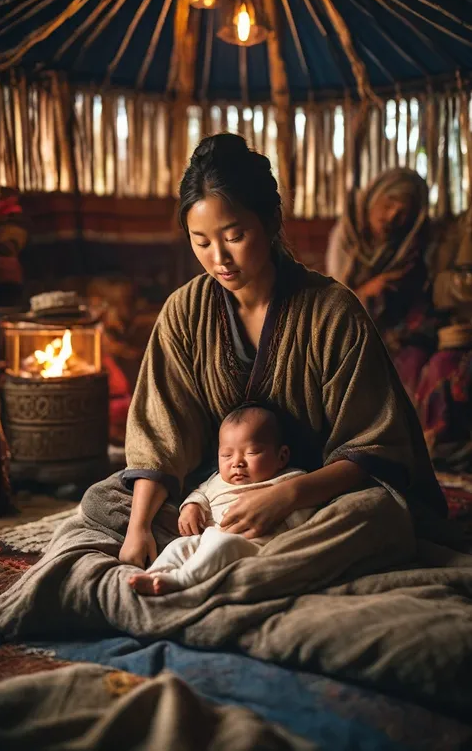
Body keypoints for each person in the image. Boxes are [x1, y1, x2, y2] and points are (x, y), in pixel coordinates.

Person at [113, 133, 446, 580]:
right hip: (219, 495)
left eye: (235, 236)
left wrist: (287, 497)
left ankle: (230, 571)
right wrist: (137, 530)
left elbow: (376, 445)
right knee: (108, 500)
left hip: (319, 496)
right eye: (201, 241)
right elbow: (160, 433)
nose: (219, 258)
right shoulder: (184, 311)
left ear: (271, 223)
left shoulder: (331, 310)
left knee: (378, 514)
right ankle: (258, 562)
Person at [129, 403, 311, 596]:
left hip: (252, 546)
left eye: (252, 452)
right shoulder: (216, 480)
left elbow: (304, 511)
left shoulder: (288, 480)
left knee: (222, 544)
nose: (237, 463)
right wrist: (191, 506)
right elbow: (201, 493)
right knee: (178, 546)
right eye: (226, 455)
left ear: (281, 457)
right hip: (207, 538)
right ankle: (156, 574)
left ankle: (182, 580)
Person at [325, 168, 434, 400]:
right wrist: (368, 290)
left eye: (404, 212)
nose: (393, 215)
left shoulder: (409, 249)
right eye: (389, 203)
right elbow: (332, 303)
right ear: (374, 196)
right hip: (348, 334)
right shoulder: (346, 237)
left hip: (396, 338)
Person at [416, 202, 472, 472]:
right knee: (438, 366)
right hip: (457, 334)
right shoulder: (456, 231)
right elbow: (442, 288)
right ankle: (438, 451)